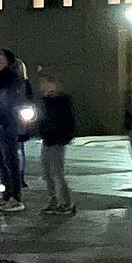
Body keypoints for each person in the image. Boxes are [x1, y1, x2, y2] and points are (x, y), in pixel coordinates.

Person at [0, 49, 31, 212]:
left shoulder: (11, 78)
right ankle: (6, 196)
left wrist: (9, 120)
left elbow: (10, 102)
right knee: (1, 162)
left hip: (6, 125)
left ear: (8, 61)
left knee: (10, 161)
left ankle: (15, 198)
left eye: (1, 58)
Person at [37, 75, 77, 214]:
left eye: (46, 83)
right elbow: (41, 120)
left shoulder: (62, 101)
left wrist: (65, 137)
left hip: (57, 140)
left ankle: (66, 202)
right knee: (46, 171)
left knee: (57, 172)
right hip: (47, 140)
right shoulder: (44, 101)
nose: (42, 86)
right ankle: (54, 199)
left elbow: (68, 122)